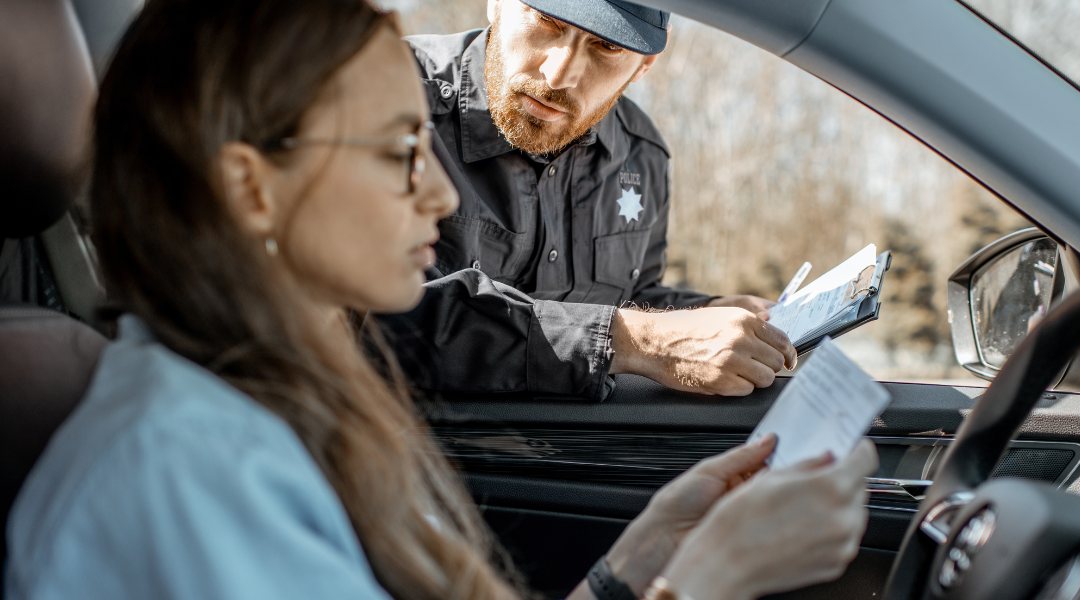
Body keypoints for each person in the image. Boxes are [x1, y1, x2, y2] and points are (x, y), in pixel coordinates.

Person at [4, 1, 877, 599]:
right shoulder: (187, 471)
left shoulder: (288, 423)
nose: (449, 198)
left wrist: (644, 555)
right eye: (398, 152)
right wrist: (705, 581)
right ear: (254, 188)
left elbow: (634, 296)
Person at [386, 0, 796, 400]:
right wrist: (638, 341)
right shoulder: (387, 94)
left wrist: (711, 312)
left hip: (575, 449)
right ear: (496, 3)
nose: (559, 74)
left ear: (644, 65)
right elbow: (370, 316)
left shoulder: (642, 153)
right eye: (547, 20)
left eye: (608, 46)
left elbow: (632, 295)